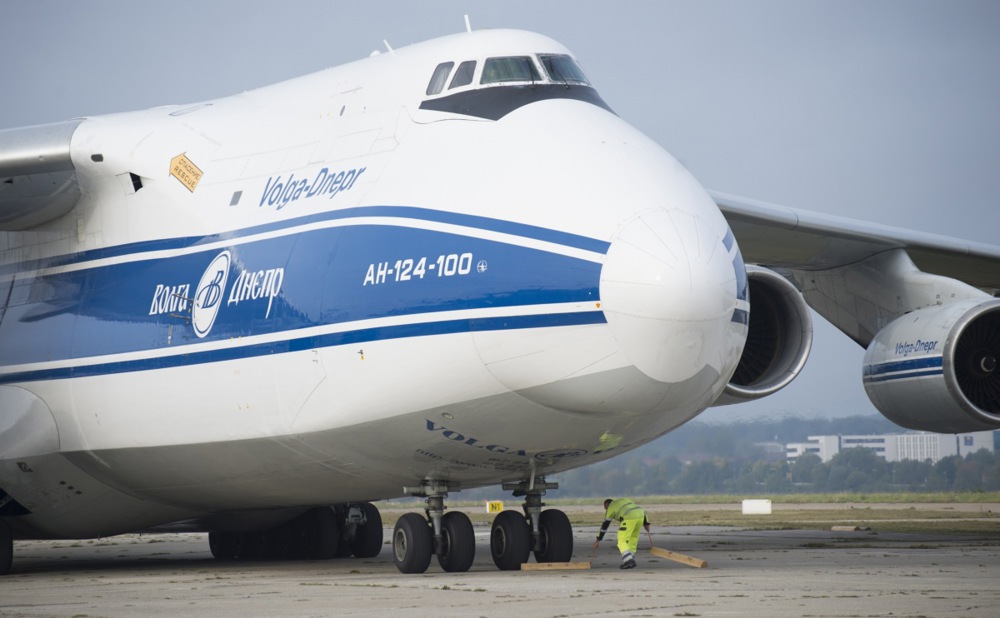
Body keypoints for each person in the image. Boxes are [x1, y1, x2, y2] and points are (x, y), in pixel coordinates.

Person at [592, 497, 650, 569]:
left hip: (629, 517)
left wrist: (598, 540)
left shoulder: (611, 507)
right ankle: (631, 558)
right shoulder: (624, 500)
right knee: (633, 538)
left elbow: (605, 525)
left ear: (607, 505)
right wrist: (646, 523)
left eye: (606, 509)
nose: (606, 511)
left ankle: (629, 561)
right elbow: (636, 508)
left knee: (621, 540)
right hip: (641, 516)